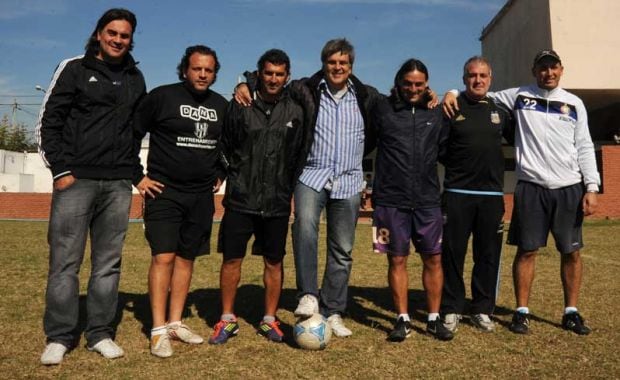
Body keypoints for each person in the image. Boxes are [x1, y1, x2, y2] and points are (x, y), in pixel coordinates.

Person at [444, 49, 600, 335]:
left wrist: (591, 185)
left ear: (561, 70)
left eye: (553, 68)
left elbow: (586, 146)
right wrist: (451, 91)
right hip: (530, 186)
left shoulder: (574, 103)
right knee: (527, 250)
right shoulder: (518, 95)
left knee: (571, 252)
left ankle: (571, 311)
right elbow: (479, 90)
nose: (548, 73)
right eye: (542, 68)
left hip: (568, 186)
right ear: (534, 71)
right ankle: (521, 311)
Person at [234, 38, 381, 337]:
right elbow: (273, 82)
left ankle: (334, 309)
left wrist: (443, 95)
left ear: (351, 66)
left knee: (342, 249)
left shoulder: (367, 96)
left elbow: (391, 113)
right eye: (332, 62)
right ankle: (308, 296)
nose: (337, 67)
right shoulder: (305, 89)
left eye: (343, 63)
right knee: (304, 230)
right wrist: (246, 83)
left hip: (350, 180)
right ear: (323, 64)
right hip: (312, 175)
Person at [36, 8, 146, 365]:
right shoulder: (74, 68)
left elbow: (134, 132)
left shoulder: (135, 77)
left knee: (107, 264)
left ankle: (99, 332)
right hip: (76, 181)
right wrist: (62, 170)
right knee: (65, 262)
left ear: (131, 39)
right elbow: (49, 120)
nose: (118, 40)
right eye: (112, 33)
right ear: (99, 33)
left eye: (125, 35)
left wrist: (133, 174)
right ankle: (60, 335)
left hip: (117, 185)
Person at [208, 49, 309, 345]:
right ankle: (226, 318)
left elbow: (299, 153)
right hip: (241, 198)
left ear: (287, 76)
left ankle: (269, 319)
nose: (273, 79)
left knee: (274, 262)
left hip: (276, 200)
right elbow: (224, 144)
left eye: (279, 74)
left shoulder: (297, 110)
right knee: (231, 259)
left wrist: (289, 187)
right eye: (268, 73)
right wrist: (227, 174)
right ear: (259, 73)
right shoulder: (241, 104)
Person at [132, 45, 228, 357]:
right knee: (164, 257)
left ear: (215, 73)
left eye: (209, 70)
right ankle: (158, 329)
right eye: (197, 68)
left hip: (201, 196)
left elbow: (230, 144)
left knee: (187, 258)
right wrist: (138, 176)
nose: (202, 74)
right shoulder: (162, 97)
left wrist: (221, 171)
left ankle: (176, 321)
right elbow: (130, 134)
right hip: (164, 192)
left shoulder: (221, 105)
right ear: (185, 69)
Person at [371, 58, 453, 342]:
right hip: (390, 200)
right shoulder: (382, 108)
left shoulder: (437, 113)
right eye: (408, 83)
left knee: (433, 258)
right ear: (398, 83)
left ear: (427, 85)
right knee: (397, 259)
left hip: (428, 199)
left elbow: (448, 150)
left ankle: (433, 318)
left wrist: (451, 92)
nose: (413, 88)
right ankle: (402, 319)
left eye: (419, 84)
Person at [438, 56, 514, 334]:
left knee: (488, 255)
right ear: (464, 79)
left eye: (483, 75)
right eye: (472, 75)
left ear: (490, 79)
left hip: (492, 196)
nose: (478, 80)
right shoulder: (452, 107)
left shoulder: (500, 111)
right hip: (457, 193)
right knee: (452, 254)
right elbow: (440, 148)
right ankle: (452, 308)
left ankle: (482, 309)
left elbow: (520, 139)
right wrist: (461, 167)